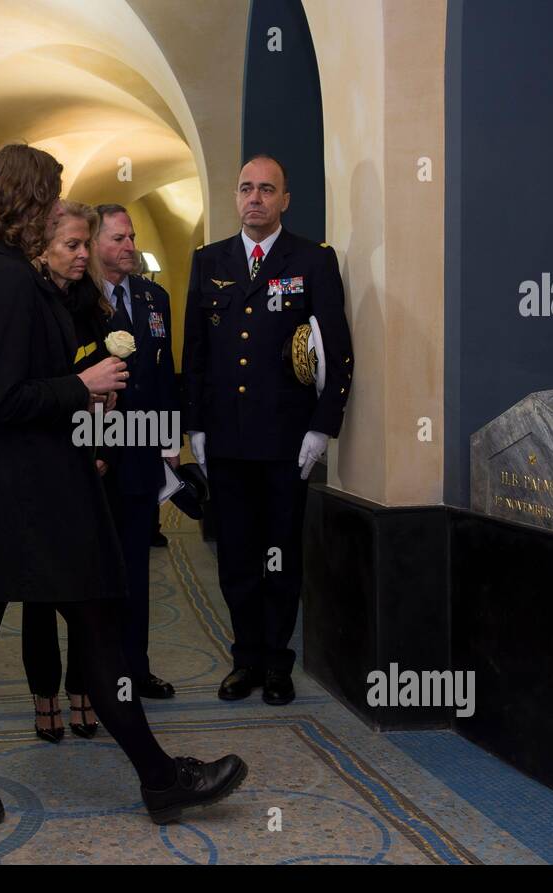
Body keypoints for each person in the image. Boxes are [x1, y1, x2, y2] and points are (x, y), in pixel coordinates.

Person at [0, 144, 247, 835]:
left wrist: (77, 404)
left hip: (19, 494)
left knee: (8, 632)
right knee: (74, 629)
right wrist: (81, 387)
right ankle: (159, 778)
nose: (57, 209)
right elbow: (2, 397)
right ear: (24, 202)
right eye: (50, 198)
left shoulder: (10, 274)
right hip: (21, 500)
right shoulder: (1, 279)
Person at [182, 154, 354, 706]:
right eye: (246, 189)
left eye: (266, 190)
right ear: (236, 198)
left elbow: (340, 351)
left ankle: (278, 663)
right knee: (236, 557)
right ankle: (245, 659)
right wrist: (196, 428)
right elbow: (198, 351)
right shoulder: (209, 261)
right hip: (227, 440)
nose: (254, 198)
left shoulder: (313, 260)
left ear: (284, 200)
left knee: (280, 556)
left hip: (286, 441)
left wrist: (322, 428)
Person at [21, 200, 116, 742]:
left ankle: (85, 694)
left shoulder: (90, 306)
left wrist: (104, 439)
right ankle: (45, 698)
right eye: (72, 245)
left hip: (86, 462)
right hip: (37, 468)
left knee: (86, 590)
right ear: (43, 248)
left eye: (86, 245)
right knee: (39, 596)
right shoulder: (28, 305)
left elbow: (108, 389)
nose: (84, 255)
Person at [94, 203, 180, 699]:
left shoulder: (153, 296)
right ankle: (97, 673)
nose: (128, 247)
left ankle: (135, 667)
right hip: (97, 450)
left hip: (144, 448)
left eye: (131, 238)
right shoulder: (81, 299)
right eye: (118, 239)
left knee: (136, 564)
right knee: (96, 568)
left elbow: (163, 373)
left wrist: (170, 441)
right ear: (94, 244)